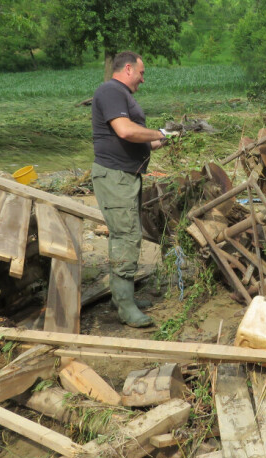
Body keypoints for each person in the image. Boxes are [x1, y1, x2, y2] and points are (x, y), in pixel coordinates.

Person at [91, 51, 169, 327]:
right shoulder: (111, 91)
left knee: (123, 234)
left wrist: (170, 136)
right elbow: (125, 131)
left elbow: (139, 140)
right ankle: (125, 308)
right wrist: (161, 132)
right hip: (115, 177)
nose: (143, 79)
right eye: (141, 72)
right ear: (127, 68)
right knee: (127, 236)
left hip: (126, 176)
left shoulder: (120, 94)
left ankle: (122, 297)